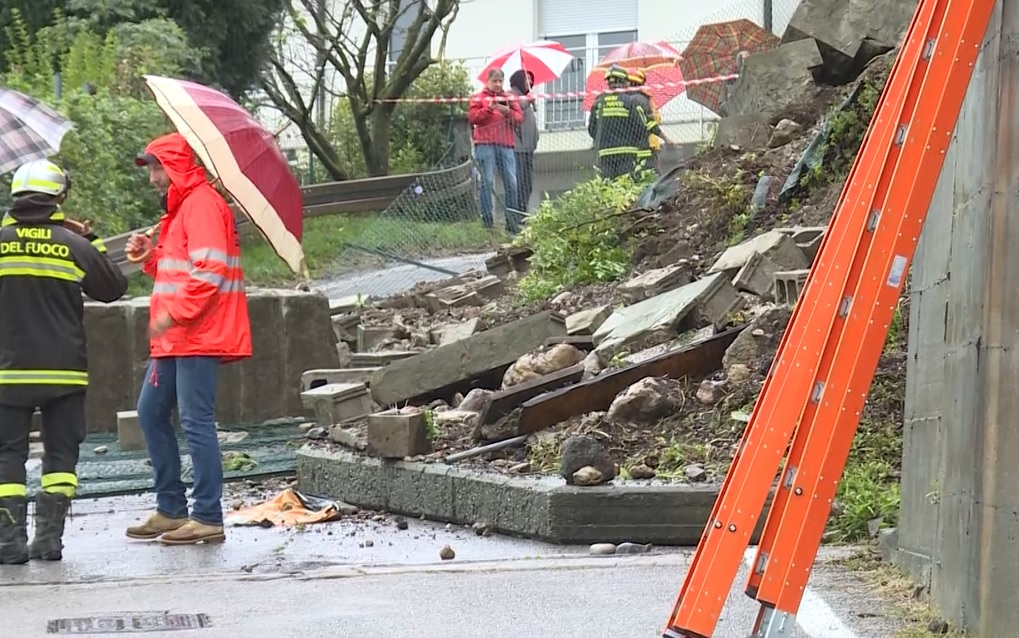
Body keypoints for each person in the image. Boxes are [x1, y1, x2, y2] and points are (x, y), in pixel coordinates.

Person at [125, 132, 252, 546]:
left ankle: (207, 515)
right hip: (179, 335)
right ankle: (172, 509)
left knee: (196, 421)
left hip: (194, 333)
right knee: (151, 413)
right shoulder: (186, 208)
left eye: (157, 168)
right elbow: (182, 268)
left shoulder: (200, 205)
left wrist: (176, 315)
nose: (153, 180)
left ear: (176, 165)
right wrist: (151, 255)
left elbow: (209, 273)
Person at [0, 159, 128, 564]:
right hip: (63, 371)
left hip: (7, 373)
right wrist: (93, 240)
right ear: (59, 197)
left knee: (6, 456)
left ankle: (8, 543)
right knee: (60, 457)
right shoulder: (73, 245)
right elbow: (112, 289)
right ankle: (48, 541)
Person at [468, 68, 524, 234]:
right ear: (488, 81)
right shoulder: (478, 98)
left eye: (500, 81)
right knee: (486, 182)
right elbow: (473, 117)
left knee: (511, 184)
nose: (498, 84)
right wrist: (489, 109)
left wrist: (508, 112)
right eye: (495, 81)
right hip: (485, 144)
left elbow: (519, 118)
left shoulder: (509, 98)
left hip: (506, 145)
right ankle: (487, 221)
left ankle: (512, 221)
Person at [587, 64, 654, 180]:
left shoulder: (598, 102)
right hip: (628, 152)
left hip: (605, 154)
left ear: (608, 82)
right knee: (626, 184)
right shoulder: (629, 101)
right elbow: (642, 126)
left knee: (608, 186)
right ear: (624, 82)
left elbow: (592, 129)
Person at [508, 69, 539, 218]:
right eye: (527, 79)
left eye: (532, 80)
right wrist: (528, 101)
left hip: (528, 149)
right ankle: (517, 216)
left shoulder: (526, 97)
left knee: (528, 186)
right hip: (518, 149)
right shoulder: (511, 94)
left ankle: (524, 213)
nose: (531, 83)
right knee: (519, 185)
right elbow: (516, 107)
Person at [627, 68, 670, 170]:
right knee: (653, 174)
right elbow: (655, 120)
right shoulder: (645, 98)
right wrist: (666, 139)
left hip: (630, 147)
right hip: (649, 144)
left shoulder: (624, 99)